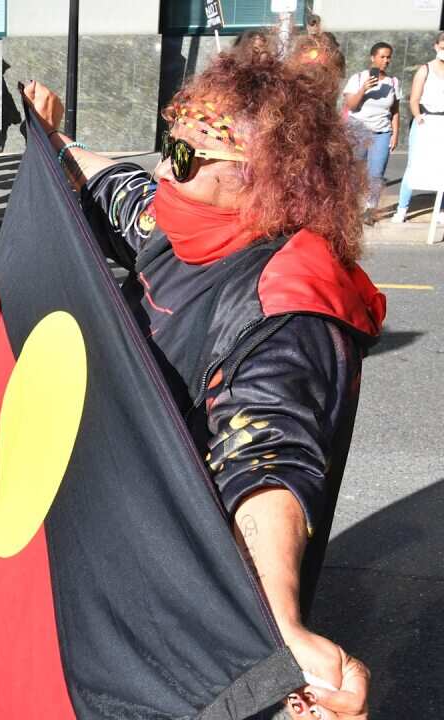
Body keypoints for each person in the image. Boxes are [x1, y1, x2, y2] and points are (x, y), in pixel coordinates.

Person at [26, 49, 378, 720]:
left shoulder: (288, 301)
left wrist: (278, 623)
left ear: (262, 180)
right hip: (124, 526)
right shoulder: (188, 220)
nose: (165, 168)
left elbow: (269, 457)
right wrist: (57, 141)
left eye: (186, 160)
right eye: (170, 146)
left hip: (184, 581)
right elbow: (116, 188)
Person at [342, 42, 399, 218]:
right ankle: (348, 207)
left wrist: (395, 133)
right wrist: (363, 89)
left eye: (388, 57)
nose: (386, 61)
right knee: (354, 172)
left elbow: (395, 110)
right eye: (382, 57)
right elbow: (350, 105)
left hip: (382, 132)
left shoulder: (393, 82)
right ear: (372, 58)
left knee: (376, 173)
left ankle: (370, 209)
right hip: (358, 131)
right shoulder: (358, 78)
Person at [392, 32, 444, 223]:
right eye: (442, 46)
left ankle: (440, 209)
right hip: (426, 119)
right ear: (436, 46)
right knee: (414, 165)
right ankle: (402, 208)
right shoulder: (425, 70)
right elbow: (414, 99)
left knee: (442, 167)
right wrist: (418, 116)